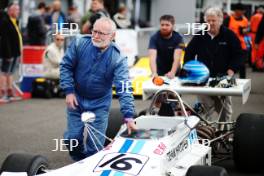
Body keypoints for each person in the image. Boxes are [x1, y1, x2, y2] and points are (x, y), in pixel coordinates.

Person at [60, 17, 137, 161]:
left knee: (95, 147)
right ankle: (78, 159)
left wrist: (128, 115)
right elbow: (66, 66)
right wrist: (69, 91)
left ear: (112, 36)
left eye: (101, 33)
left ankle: (89, 167)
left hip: (100, 103)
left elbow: (124, 86)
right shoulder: (79, 43)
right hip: (76, 98)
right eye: (94, 31)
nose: (95, 36)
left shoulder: (118, 58)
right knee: (73, 140)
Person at [184, 7, 243, 122]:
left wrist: (231, 70)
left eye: (213, 20)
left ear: (220, 20)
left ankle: (223, 134)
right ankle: (207, 133)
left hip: (224, 77)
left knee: (225, 110)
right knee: (206, 109)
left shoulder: (229, 35)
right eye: (208, 20)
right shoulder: (200, 36)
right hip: (203, 78)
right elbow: (188, 53)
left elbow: (239, 55)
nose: (211, 23)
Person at [148, 15, 184, 79]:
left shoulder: (179, 38)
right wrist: (154, 73)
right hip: (159, 72)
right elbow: (152, 58)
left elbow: (177, 58)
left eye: (167, 25)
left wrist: (172, 73)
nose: (164, 27)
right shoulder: (154, 38)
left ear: (173, 26)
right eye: (162, 25)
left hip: (175, 72)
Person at [0, 2, 22, 100]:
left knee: (11, 73)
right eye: (16, 10)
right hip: (8, 53)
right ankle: (2, 93)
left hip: (15, 51)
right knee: (4, 72)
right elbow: (5, 40)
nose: (18, 11)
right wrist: (8, 55)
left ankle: (10, 92)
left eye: (18, 9)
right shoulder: (5, 21)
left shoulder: (15, 21)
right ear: (10, 10)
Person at [224, 3, 249, 78]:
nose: (242, 12)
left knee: (242, 64)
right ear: (236, 11)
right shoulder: (229, 19)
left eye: (243, 11)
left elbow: (246, 30)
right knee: (228, 64)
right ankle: (227, 81)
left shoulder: (245, 20)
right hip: (230, 45)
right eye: (241, 10)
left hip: (241, 45)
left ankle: (243, 81)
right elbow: (223, 31)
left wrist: (246, 31)